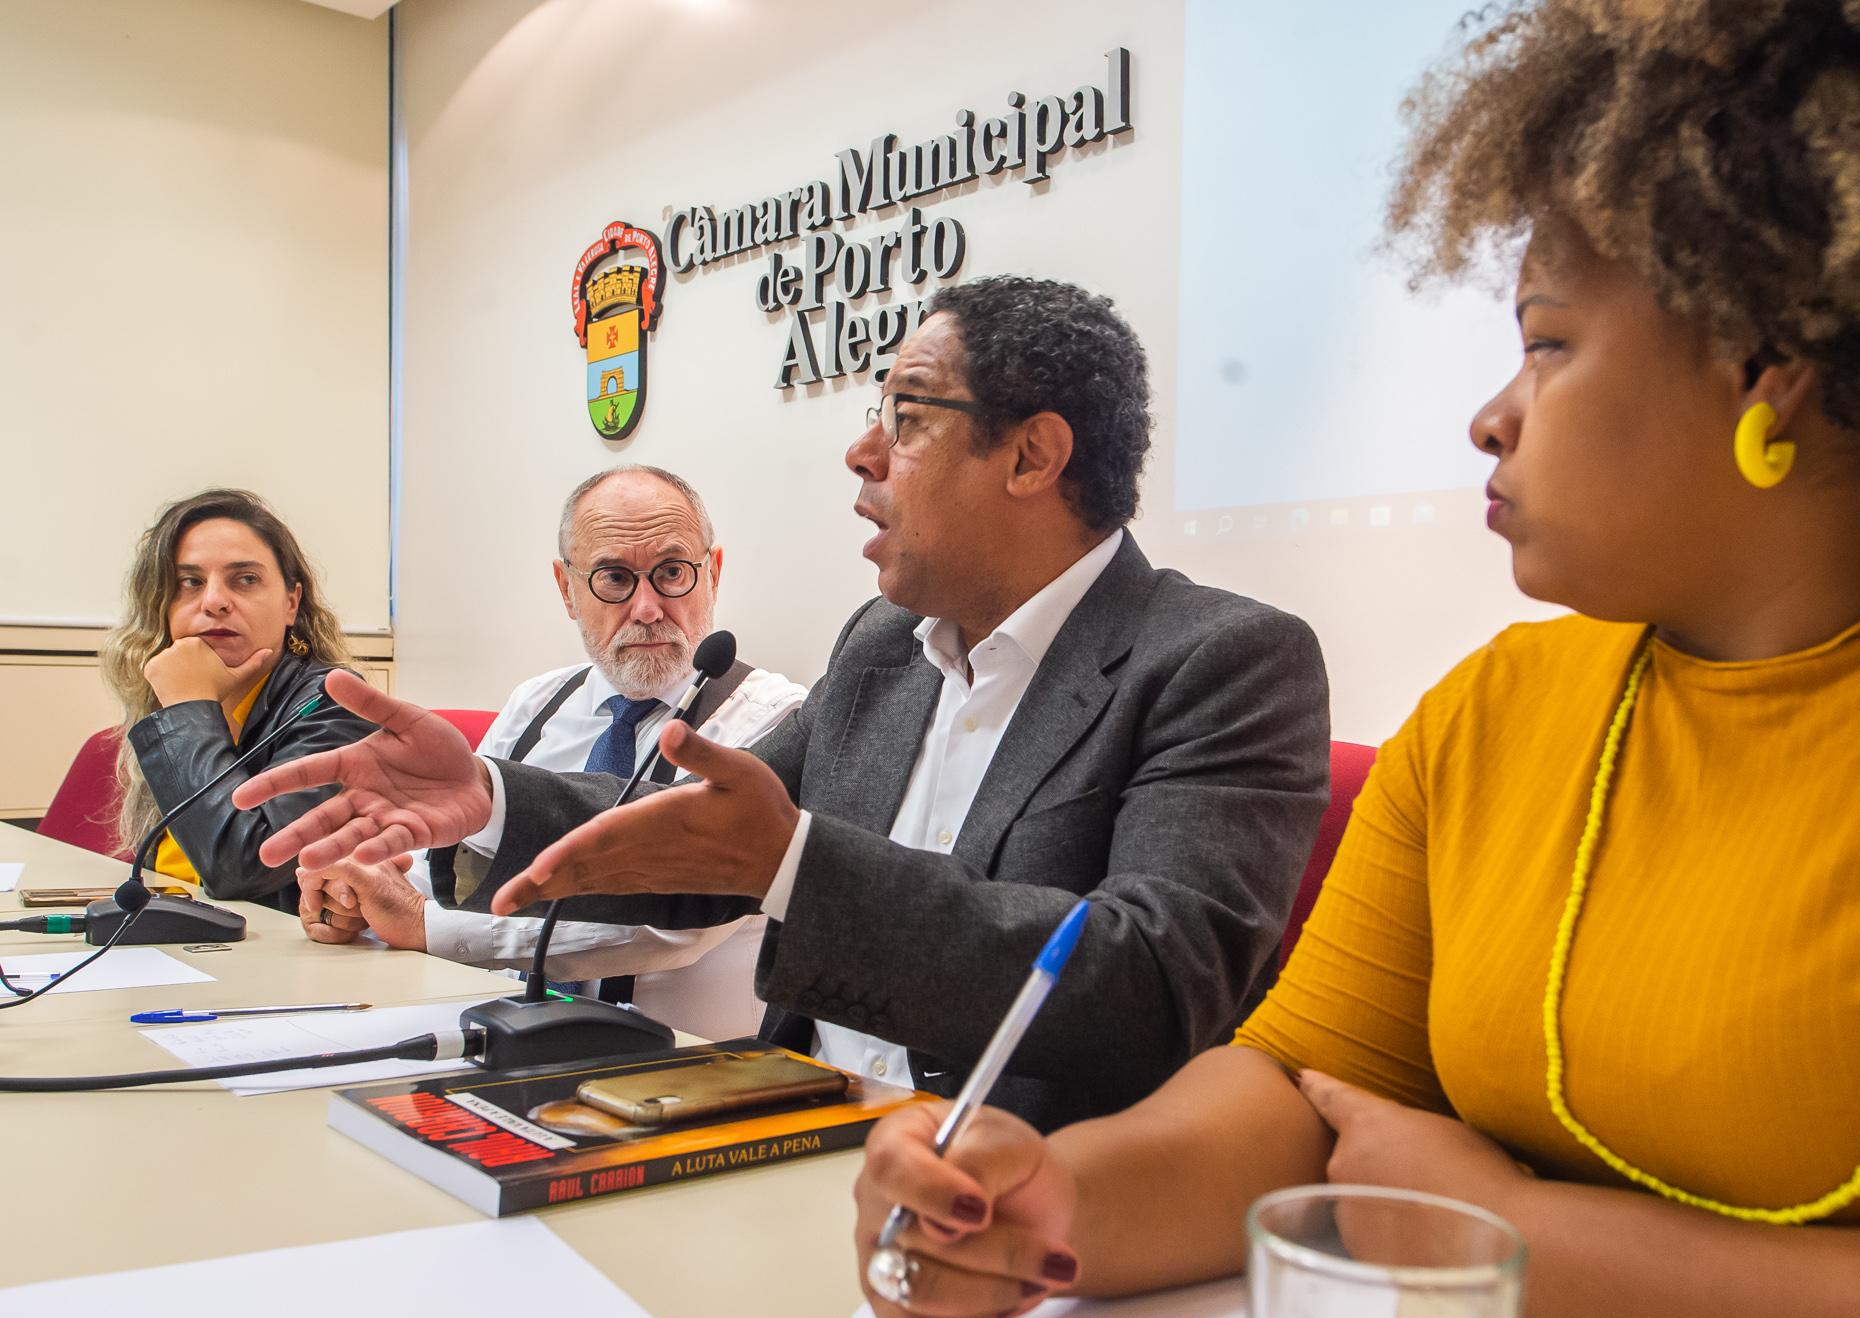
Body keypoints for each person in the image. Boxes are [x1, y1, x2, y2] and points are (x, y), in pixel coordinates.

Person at [843, 4, 1860, 1318]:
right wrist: (1036, 1204)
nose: (1490, 416)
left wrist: (1500, 1232)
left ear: (1777, 361)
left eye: (1547, 343)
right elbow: (1290, 1094)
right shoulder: (1495, 709)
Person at [233, 276, 1332, 1132]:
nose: (859, 452)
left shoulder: (1222, 661)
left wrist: (795, 861)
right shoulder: (881, 646)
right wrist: (485, 793)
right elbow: (700, 840)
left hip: (1016, 1192)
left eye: (904, 419)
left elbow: (1148, 986)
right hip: (784, 1120)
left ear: (1033, 454)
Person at [294, 465, 803, 1040]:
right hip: (510, 1032)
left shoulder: (780, 721)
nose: (647, 608)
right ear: (566, 589)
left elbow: (666, 926)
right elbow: (457, 869)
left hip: (687, 1068)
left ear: (712, 572)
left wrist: (422, 924)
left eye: (672, 572)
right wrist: (357, 888)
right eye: (614, 578)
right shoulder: (536, 703)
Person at [103, 488, 372, 912]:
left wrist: (186, 710)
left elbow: (242, 867)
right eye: (189, 582)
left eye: (245, 579)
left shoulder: (333, 702)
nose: (214, 602)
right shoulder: (176, 693)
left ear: (290, 602)